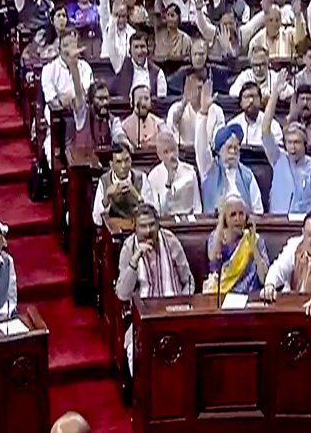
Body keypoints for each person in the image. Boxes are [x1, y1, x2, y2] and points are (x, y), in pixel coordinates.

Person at [116, 205, 194, 372]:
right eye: (143, 226)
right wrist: (135, 259)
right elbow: (122, 294)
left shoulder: (170, 241)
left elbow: (188, 280)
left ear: (158, 224)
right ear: (134, 227)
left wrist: (184, 304)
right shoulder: (129, 248)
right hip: (145, 319)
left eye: (152, 225)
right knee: (137, 354)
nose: (148, 231)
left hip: (175, 312)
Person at [262, 74, 311, 214]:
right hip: (278, 221)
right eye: (289, 142)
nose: (292, 147)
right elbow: (265, 129)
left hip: (305, 222)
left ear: (305, 144)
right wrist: (275, 93)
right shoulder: (278, 159)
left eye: (296, 142)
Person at [261, 212, 311, 316]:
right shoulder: (294, 245)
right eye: (310, 235)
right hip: (290, 307)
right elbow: (279, 266)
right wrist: (270, 284)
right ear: (303, 233)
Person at [196, 110, 263, 215]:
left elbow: (258, 210)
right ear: (220, 151)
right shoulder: (209, 169)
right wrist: (203, 114)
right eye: (229, 148)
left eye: (236, 148)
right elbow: (201, 147)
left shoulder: (247, 175)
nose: (233, 152)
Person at [202, 195, 270, 295]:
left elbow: (263, 279)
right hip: (223, 295)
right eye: (233, 215)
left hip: (249, 296)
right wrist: (221, 232)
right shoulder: (215, 238)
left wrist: (252, 244)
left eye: (241, 214)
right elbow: (214, 267)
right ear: (225, 219)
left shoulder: (256, 240)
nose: (237, 219)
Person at [141, 131, 201, 215]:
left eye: (173, 150)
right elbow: (158, 210)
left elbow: (197, 206)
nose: (171, 155)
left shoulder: (190, 172)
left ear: (177, 149)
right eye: (166, 152)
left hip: (188, 218)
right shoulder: (153, 177)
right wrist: (168, 184)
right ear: (159, 155)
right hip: (166, 218)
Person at [92, 143, 146, 225]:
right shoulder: (104, 181)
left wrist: (136, 195)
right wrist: (106, 197)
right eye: (118, 162)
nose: (123, 166)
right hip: (114, 229)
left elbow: (152, 213)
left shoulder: (141, 178)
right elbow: (97, 220)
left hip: (137, 227)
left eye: (127, 160)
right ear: (111, 164)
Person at [120, 84, 164, 150]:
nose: (143, 103)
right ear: (132, 102)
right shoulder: (124, 127)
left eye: (146, 99)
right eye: (139, 99)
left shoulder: (159, 124)